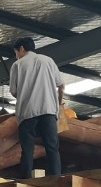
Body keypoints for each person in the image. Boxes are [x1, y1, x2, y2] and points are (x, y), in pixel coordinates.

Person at [8, 37, 65, 179]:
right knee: (52, 147)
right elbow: (61, 86)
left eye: (16, 52)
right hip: (48, 110)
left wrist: (26, 94)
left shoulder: (17, 65)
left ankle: (25, 179)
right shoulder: (48, 60)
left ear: (21, 49)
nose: (17, 55)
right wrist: (58, 105)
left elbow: (14, 92)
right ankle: (56, 178)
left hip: (27, 112)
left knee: (27, 149)